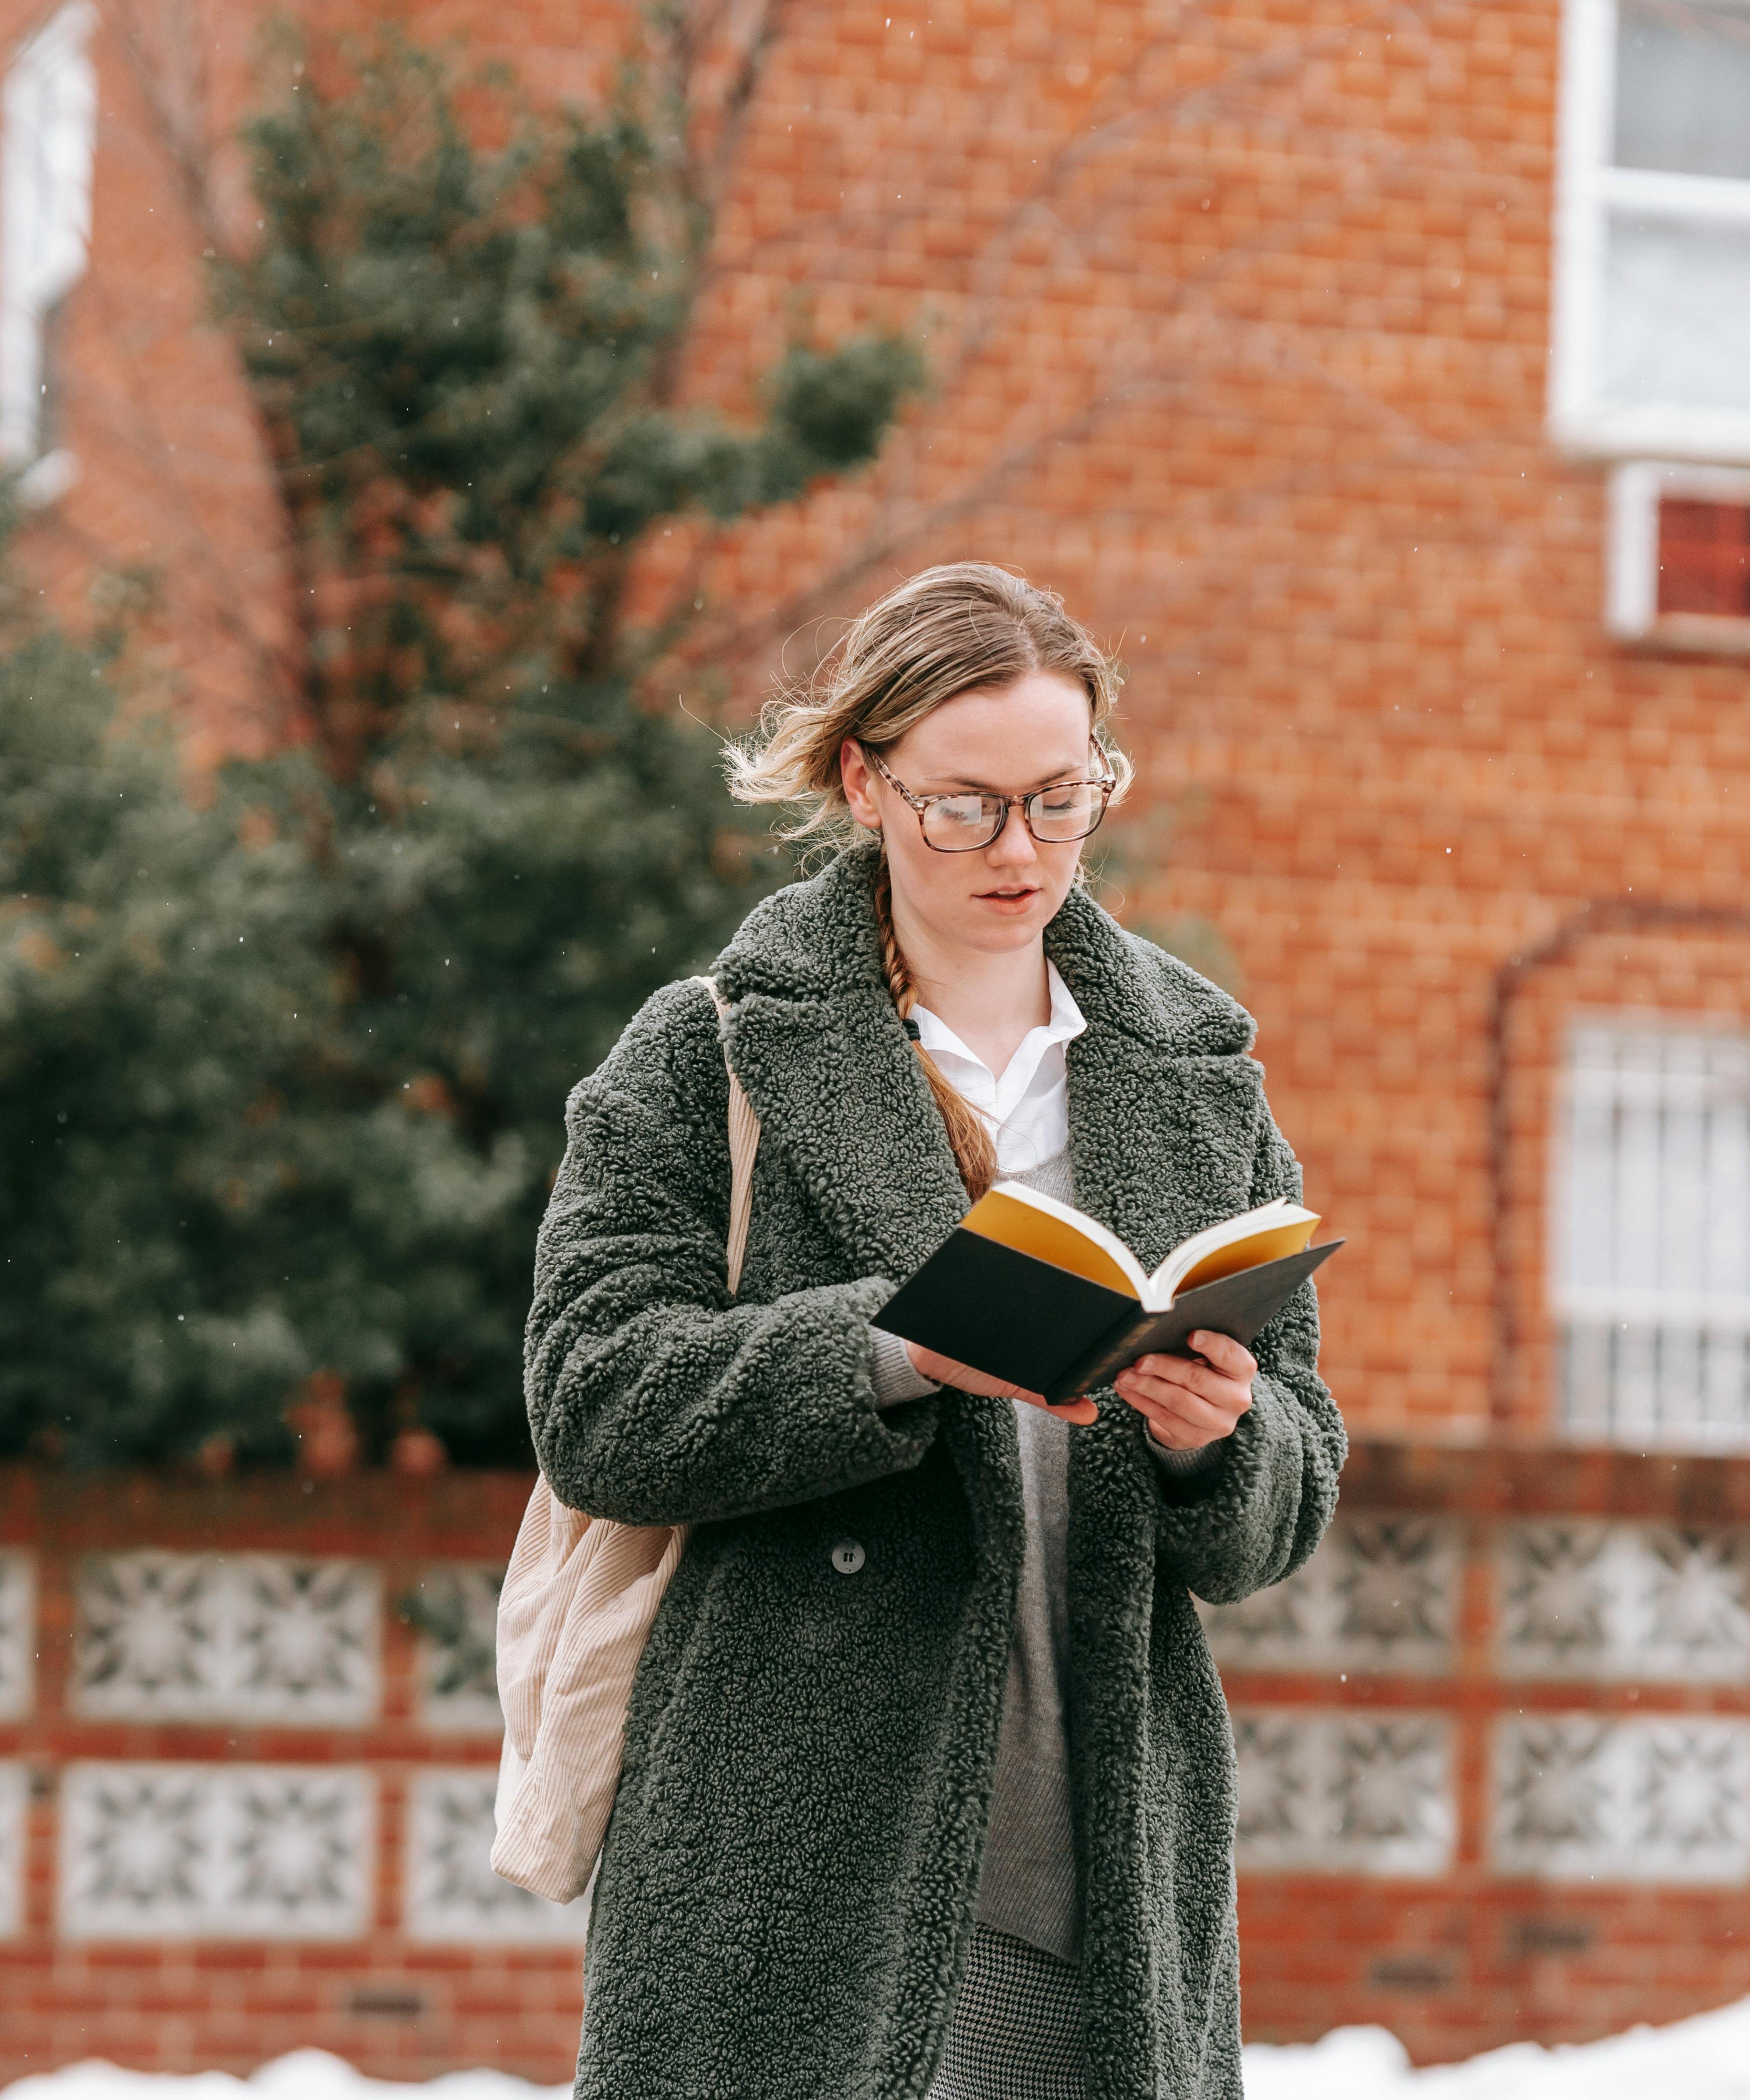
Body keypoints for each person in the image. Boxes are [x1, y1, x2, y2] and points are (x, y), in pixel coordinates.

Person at [522, 562, 1343, 2099]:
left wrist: (1223, 1446)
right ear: (865, 781)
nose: (1019, 850)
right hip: (793, 1844)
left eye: (1061, 797)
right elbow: (592, 1400)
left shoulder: (1199, 1067)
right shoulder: (708, 1049)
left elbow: (1293, 1485)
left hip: (1101, 1842)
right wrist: (894, 1352)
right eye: (964, 805)